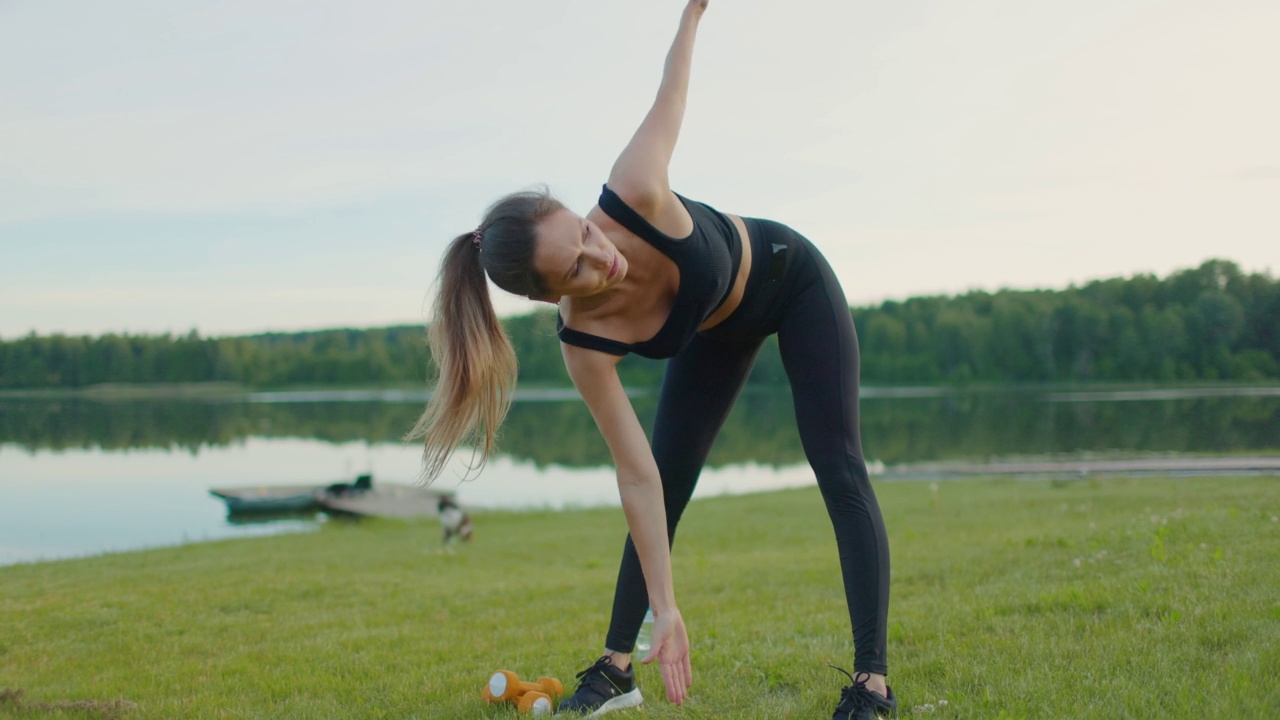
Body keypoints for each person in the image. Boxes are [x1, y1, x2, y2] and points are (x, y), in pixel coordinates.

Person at [408, 2, 895, 718]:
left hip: (791, 280)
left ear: (574, 208)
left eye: (581, 233)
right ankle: (617, 668)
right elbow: (637, 478)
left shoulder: (633, 188)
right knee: (664, 485)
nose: (597, 258)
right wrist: (666, 609)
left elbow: (673, 90)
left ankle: (872, 685)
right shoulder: (584, 346)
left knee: (838, 465)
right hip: (714, 332)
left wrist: (691, 16)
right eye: (574, 270)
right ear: (551, 299)